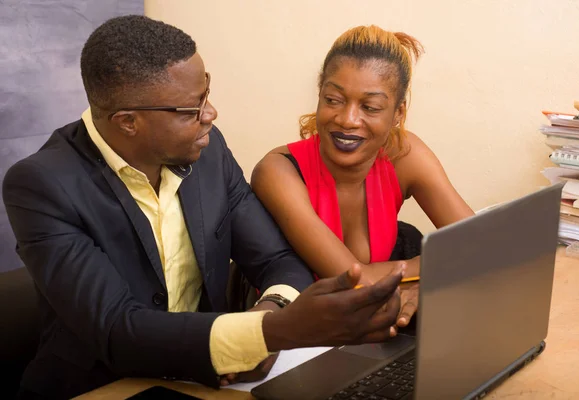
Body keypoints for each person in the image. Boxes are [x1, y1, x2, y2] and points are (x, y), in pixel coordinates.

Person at [2, 16, 405, 399]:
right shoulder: (41, 185)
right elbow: (117, 330)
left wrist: (269, 314)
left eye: (206, 93)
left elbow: (277, 259)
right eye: (192, 108)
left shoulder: (209, 155)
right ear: (128, 122)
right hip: (95, 388)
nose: (210, 114)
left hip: (206, 382)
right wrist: (267, 334)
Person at [251, 25, 475, 329]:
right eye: (333, 100)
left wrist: (421, 281)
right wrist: (424, 271)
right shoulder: (279, 171)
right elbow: (351, 280)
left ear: (397, 113)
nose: (347, 119)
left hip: (372, 332)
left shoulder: (404, 155)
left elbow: (478, 246)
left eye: (370, 107)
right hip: (296, 340)